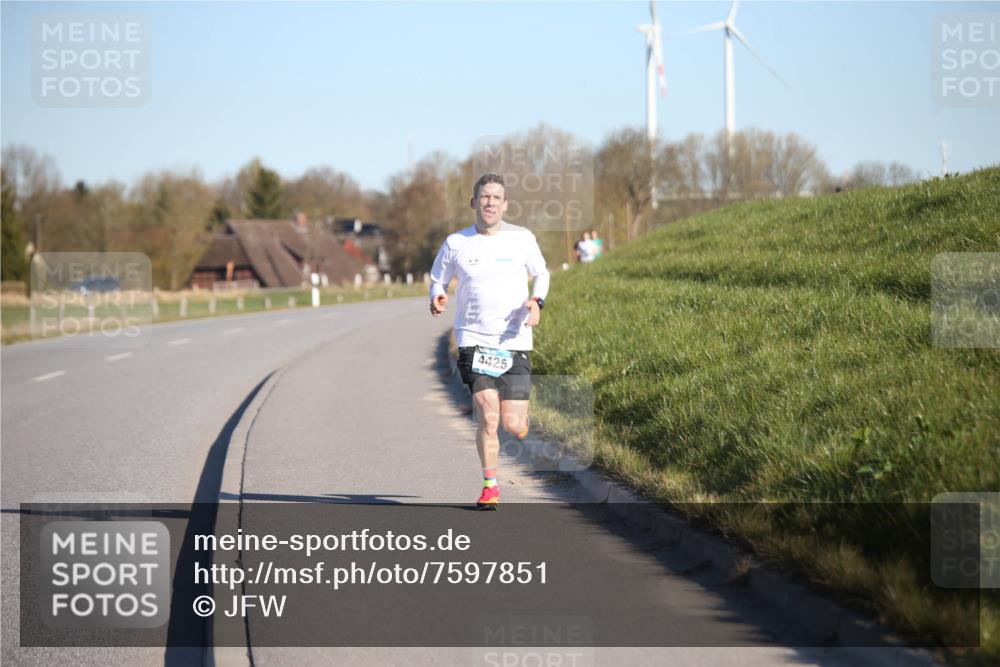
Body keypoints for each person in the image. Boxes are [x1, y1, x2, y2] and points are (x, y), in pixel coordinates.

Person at [429, 173, 550, 509]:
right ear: (473, 203)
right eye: (484, 197)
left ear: (505, 204)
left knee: (512, 423)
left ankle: (520, 424)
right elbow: (437, 279)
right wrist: (437, 295)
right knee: (488, 413)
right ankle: (490, 484)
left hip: (514, 340)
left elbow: (542, 273)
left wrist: (536, 302)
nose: (490, 202)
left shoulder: (522, 238)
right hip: (473, 340)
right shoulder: (456, 243)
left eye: (497, 197)